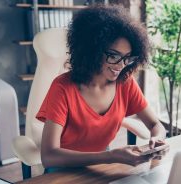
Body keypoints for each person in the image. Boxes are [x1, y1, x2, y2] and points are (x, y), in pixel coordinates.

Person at [36, 4, 167, 170]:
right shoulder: (62, 87)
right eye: (113, 56)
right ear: (92, 51)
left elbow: (156, 125)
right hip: (64, 167)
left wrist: (158, 139)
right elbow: (49, 157)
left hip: (101, 164)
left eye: (128, 58)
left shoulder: (125, 83)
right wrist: (110, 156)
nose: (121, 65)